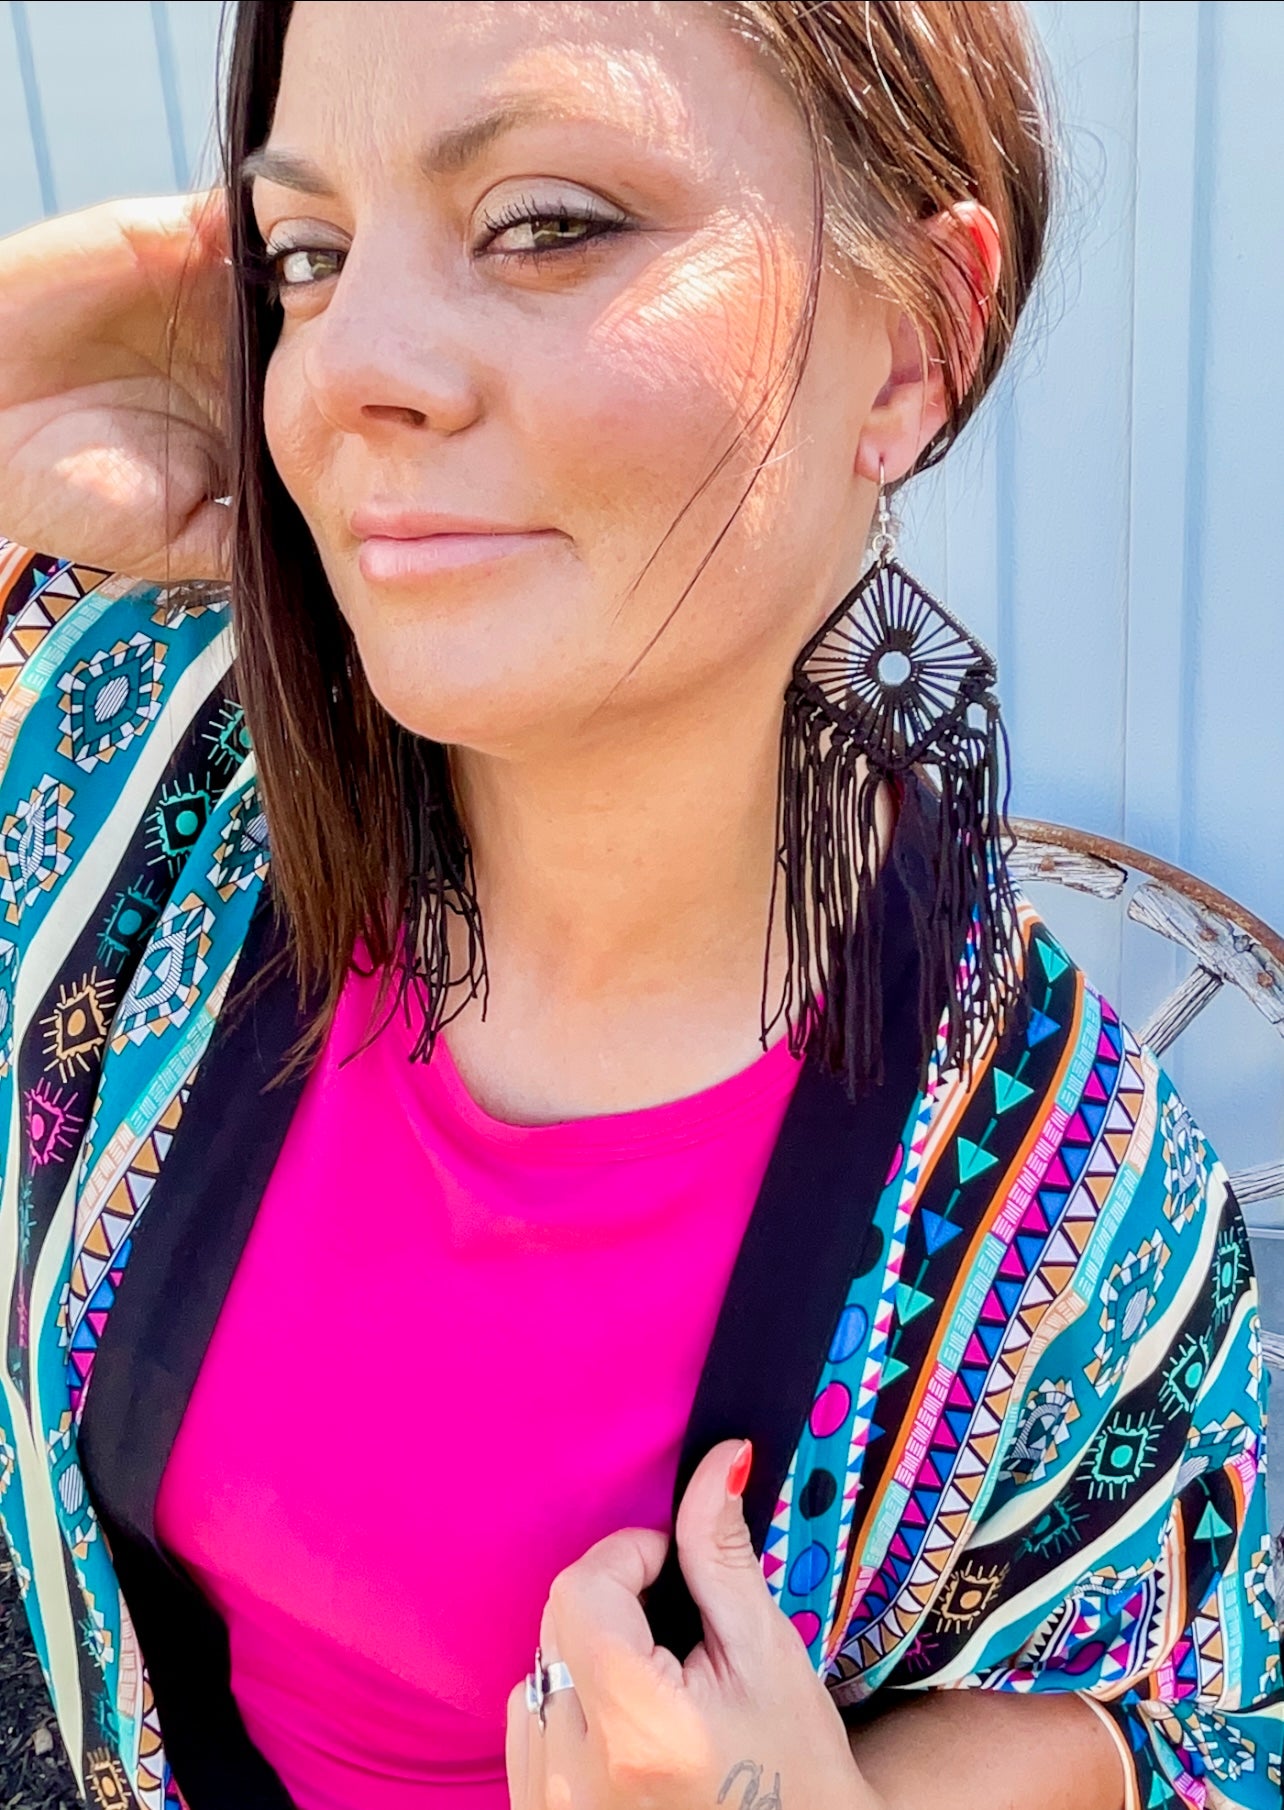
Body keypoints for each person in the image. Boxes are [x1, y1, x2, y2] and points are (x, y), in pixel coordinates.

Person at [0, 3, 1278, 1808]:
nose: (350, 369)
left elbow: (1186, 1719)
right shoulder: (129, 755)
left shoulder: (1070, 1198)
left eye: (543, 223)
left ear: (912, 341)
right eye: (308, 255)